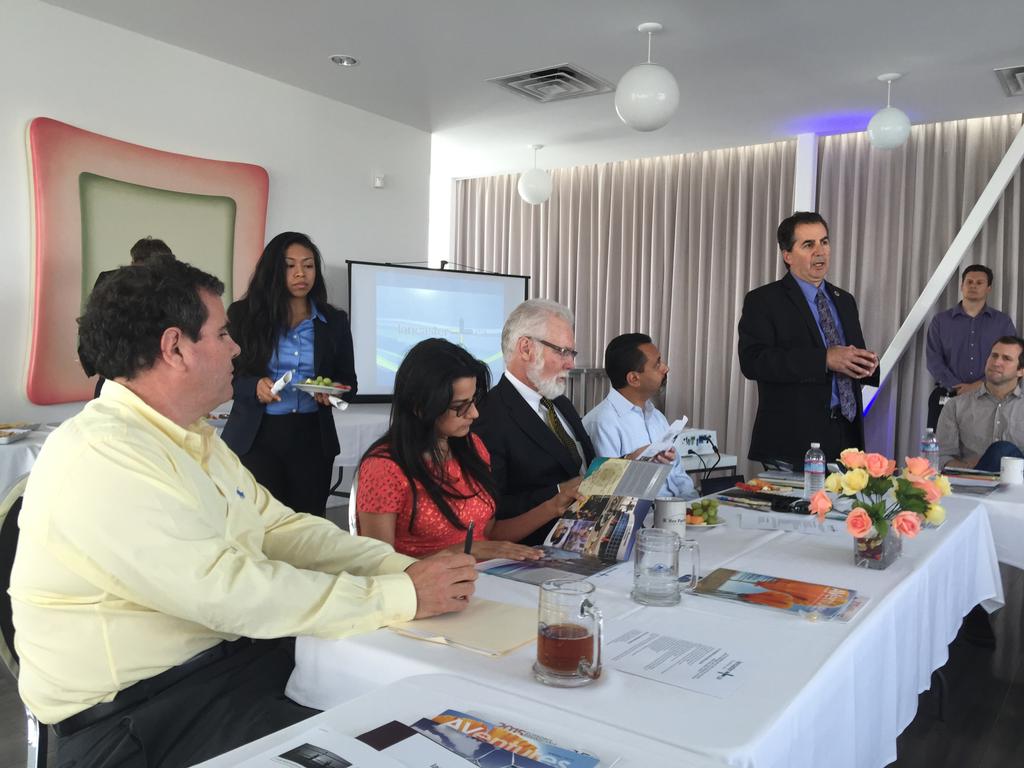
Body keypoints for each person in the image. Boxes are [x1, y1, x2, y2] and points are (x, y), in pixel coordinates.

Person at [10, 258, 475, 768]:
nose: (236, 349)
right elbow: (229, 591)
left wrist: (400, 569)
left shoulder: (191, 438)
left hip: (229, 669)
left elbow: (279, 529)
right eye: (223, 334)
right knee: (392, 751)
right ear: (175, 348)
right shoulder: (103, 454)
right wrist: (401, 595)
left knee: (424, 719)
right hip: (142, 719)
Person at [356, 338, 552, 560]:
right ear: (421, 407)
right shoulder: (384, 468)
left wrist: (554, 505)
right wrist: (466, 550)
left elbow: (489, 533)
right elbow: (378, 566)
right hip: (427, 581)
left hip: (486, 573)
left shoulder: (473, 447)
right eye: (460, 406)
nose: (474, 413)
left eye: (474, 400)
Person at [222, 232, 356, 517]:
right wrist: (254, 386)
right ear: (273, 270)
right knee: (259, 523)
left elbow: (349, 382)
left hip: (311, 438)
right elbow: (226, 375)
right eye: (290, 265)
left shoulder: (334, 321)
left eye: (308, 265)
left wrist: (332, 391)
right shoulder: (244, 316)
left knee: (308, 524)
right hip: (256, 437)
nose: (300, 274)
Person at [738, 211, 880, 469]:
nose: (820, 251)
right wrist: (824, 359)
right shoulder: (764, 300)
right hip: (793, 439)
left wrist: (866, 364)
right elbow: (753, 361)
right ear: (787, 255)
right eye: (808, 244)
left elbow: (849, 356)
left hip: (846, 434)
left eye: (824, 242)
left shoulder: (844, 300)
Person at [473, 299, 595, 545]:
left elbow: (581, 470)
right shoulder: (489, 416)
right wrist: (558, 493)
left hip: (585, 540)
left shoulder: (560, 403)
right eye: (562, 351)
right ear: (526, 349)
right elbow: (493, 509)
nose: (570, 363)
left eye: (572, 353)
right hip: (533, 551)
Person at [582, 333, 697, 499]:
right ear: (634, 379)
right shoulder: (602, 423)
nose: (666, 368)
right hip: (644, 513)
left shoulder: (657, 417)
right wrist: (636, 462)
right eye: (657, 364)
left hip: (678, 508)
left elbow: (678, 474)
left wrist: (693, 503)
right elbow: (606, 494)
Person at [925, 264, 1017, 429]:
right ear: (962, 286)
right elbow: (933, 360)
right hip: (947, 395)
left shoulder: (1002, 323)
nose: (973, 286)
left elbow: (1012, 359)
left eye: (979, 282)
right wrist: (956, 386)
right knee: (939, 443)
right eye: (969, 282)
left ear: (989, 288)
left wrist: (980, 385)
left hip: (990, 396)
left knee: (986, 444)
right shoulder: (941, 321)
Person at [87, 236, 176, 398]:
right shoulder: (111, 283)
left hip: (139, 367)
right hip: (123, 367)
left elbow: (91, 323)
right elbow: (93, 323)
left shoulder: (172, 287)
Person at [937, 335, 1024, 471]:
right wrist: (972, 469)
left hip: (1018, 482)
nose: (996, 362)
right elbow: (943, 457)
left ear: (1020, 371)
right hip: (971, 481)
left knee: (1003, 450)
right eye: (994, 356)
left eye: (1006, 359)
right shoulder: (955, 406)